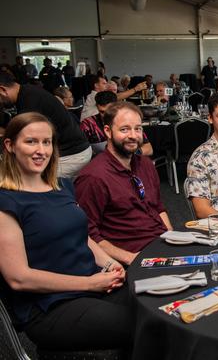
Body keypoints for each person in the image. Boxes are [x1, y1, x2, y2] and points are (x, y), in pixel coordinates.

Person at [0, 112, 132, 352]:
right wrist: (89, 284)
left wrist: (110, 264)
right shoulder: (6, 201)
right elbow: (18, 278)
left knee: (156, 305)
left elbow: (82, 235)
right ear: (10, 145)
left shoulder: (62, 187)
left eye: (47, 142)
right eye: (31, 142)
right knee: (139, 324)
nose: (41, 150)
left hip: (93, 285)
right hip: (50, 305)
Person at [75, 102, 172, 265]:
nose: (133, 135)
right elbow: (88, 234)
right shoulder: (93, 177)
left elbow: (158, 207)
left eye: (138, 128)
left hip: (162, 246)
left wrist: (172, 237)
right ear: (108, 131)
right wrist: (131, 259)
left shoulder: (145, 164)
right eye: (124, 129)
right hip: (132, 257)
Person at [0, 71, 91, 178]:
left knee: (22, 179)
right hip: (71, 151)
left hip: (71, 156)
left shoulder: (30, 102)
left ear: (2, 90)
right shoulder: (27, 92)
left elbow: (25, 139)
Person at [80, 91, 153, 156]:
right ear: (97, 107)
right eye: (102, 112)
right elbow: (80, 151)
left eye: (109, 111)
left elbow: (149, 149)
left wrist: (130, 154)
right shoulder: (88, 124)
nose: (106, 116)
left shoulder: (128, 121)